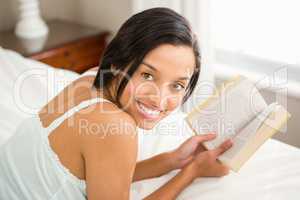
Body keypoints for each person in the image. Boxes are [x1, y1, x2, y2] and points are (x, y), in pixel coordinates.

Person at [0, 7, 232, 200]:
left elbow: (98, 174)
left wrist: (172, 160)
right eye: (147, 75)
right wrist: (192, 172)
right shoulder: (114, 126)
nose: (159, 99)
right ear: (119, 61)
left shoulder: (92, 78)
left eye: (177, 85)